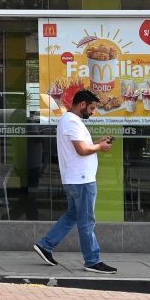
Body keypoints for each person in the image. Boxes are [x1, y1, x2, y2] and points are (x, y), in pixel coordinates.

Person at [33, 88, 117, 274]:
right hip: (82, 180)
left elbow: (81, 147)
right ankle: (93, 261)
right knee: (86, 222)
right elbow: (81, 150)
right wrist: (100, 147)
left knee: (72, 216)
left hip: (75, 178)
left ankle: (46, 245)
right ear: (82, 104)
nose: (93, 112)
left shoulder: (68, 120)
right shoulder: (72, 121)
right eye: (92, 108)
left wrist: (98, 142)